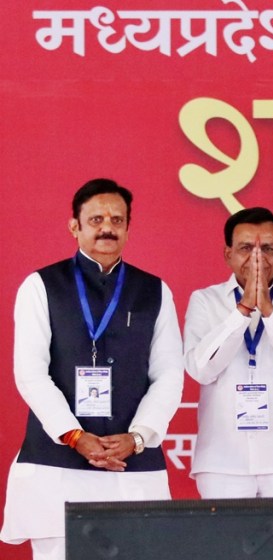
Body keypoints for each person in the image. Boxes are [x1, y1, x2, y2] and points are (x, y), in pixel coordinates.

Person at [0, 178, 184, 560]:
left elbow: (169, 374)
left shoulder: (154, 290)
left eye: (117, 220)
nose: (107, 227)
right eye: (96, 218)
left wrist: (137, 438)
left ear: (128, 228)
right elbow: (31, 372)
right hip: (58, 462)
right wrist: (73, 435)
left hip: (132, 464)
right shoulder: (41, 286)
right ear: (75, 226)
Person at [183, 207, 273, 560]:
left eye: (268, 249)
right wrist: (243, 309)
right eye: (247, 247)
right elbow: (201, 369)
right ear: (228, 253)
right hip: (222, 458)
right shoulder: (205, 301)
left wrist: (271, 314)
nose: (258, 257)